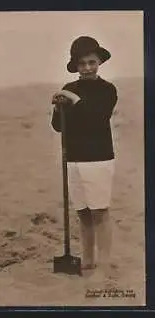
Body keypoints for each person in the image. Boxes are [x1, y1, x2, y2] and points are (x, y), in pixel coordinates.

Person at [51, 36, 118, 275]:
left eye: (92, 62)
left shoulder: (107, 89)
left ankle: (106, 262)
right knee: (82, 212)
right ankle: (88, 259)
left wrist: (73, 100)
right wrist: (59, 107)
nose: (87, 68)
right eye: (82, 64)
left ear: (99, 62)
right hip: (74, 157)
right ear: (76, 66)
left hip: (99, 157)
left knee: (100, 210)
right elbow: (58, 126)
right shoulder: (69, 89)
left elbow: (96, 117)